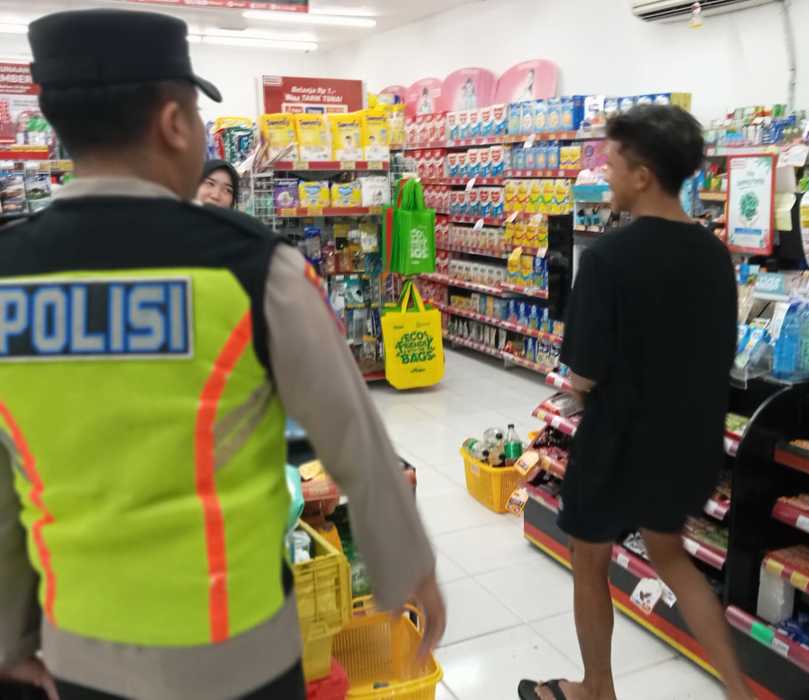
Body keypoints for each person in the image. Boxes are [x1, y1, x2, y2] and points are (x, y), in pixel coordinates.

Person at [0, 9, 444, 700]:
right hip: (238, 652)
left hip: (80, 648)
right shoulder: (255, 268)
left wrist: (9, 633)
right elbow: (354, 438)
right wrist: (407, 570)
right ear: (173, 125)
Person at [519, 105, 752, 700]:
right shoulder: (714, 256)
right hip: (685, 442)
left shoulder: (608, 258)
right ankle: (738, 690)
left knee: (590, 558)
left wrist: (584, 386)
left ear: (643, 175)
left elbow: (583, 375)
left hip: (617, 443)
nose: (606, 173)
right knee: (671, 556)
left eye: (613, 162)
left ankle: (597, 688)